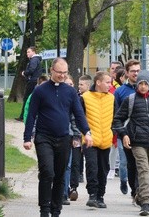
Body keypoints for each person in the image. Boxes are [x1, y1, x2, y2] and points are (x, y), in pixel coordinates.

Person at [23, 58, 93, 217]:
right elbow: (32, 115)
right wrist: (27, 138)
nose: (62, 76)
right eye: (59, 72)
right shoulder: (40, 91)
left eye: (64, 73)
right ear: (51, 71)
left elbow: (79, 114)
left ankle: (56, 210)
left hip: (63, 138)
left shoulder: (70, 92)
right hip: (44, 137)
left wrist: (86, 133)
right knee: (47, 172)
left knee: (60, 175)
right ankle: (44, 209)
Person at [112, 70, 149, 216]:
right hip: (136, 141)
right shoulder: (130, 99)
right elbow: (117, 119)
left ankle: (139, 194)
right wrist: (124, 134)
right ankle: (145, 203)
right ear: (137, 85)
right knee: (143, 169)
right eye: (141, 84)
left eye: (146, 84)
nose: (143, 86)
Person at [80, 71, 115, 209]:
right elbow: (79, 117)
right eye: (107, 82)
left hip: (106, 138)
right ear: (98, 82)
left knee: (103, 169)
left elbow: (116, 117)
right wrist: (84, 133)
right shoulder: (85, 97)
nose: (109, 85)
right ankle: (92, 195)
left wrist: (114, 132)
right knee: (92, 166)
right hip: (90, 139)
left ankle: (101, 196)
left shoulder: (111, 98)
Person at [62, 75, 82, 206]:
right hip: (52, 135)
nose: (69, 87)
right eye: (66, 84)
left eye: (71, 84)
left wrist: (76, 136)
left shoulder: (74, 100)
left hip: (69, 135)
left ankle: (64, 193)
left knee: (68, 165)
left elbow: (76, 119)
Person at [16, 46, 43, 121]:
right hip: (35, 81)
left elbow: (31, 70)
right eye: (27, 52)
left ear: (33, 52)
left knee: (27, 98)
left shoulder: (34, 60)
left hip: (32, 82)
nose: (27, 54)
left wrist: (24, 73)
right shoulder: (37, 60)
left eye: (29, 52)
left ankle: (23, 116)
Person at [76, 74, 92, 183]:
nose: (79, 86)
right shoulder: (77, 97)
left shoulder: (89, 98)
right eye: (78, 84)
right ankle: (79, 173)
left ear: (88, 85)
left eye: (81, 84)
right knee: (79, 154)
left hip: (89, 129)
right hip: (79, 129)